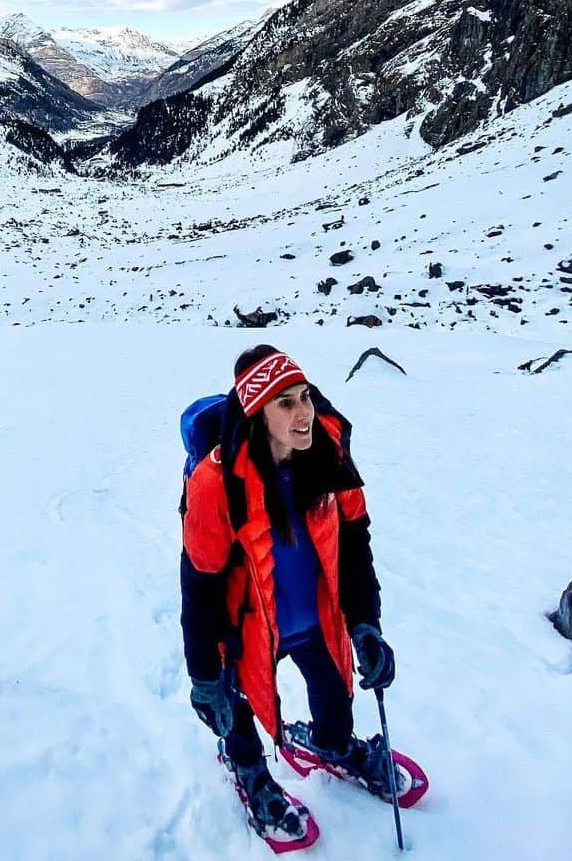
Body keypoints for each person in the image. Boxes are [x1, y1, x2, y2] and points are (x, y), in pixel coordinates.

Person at [180, 344, 397, 846]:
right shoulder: (216, 483)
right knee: (234, 706)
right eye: (286, 403)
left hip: (315, 615)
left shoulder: (330, 451)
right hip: (245, 623)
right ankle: (249, 768)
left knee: (334, 688)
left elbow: (355, 538)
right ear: (258, 412)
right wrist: (203, 676)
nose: (304, 414)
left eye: (305, 397)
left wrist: (365, 622)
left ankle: (334, 744)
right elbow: (199, 581)